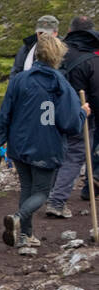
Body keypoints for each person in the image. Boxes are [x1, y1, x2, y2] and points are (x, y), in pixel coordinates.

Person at [0, 34, 87, 251]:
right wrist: (82, 113)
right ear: (58, 56)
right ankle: (18, 219)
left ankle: (25, 235)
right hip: (46, 146)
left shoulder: (19, 80)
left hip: (19, 145)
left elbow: (5, 114)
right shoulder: (60, 84)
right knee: (42, 192)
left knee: (27, 189)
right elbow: (69, 124)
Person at [44, 15, 99, 219]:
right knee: (75, 155)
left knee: (57, 153)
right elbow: (97, 95)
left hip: (50, 111)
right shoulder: (93, 60)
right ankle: (57, 201)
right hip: (80, 114)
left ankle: (48, 194)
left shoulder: (56, 53)